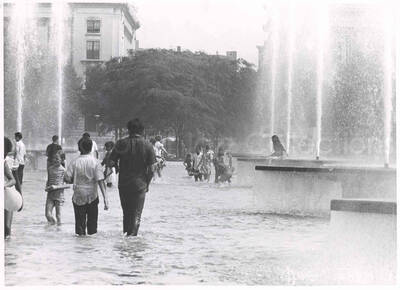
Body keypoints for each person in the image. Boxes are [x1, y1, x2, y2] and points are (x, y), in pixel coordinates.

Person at [110, 118, 156, 236]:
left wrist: (117, 166)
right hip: (140, 185)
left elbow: (110, 162)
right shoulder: (148, 145)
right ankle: (133, 239)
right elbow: (152, 169)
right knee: (137, 214)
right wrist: (147, 183)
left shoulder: (120, 143)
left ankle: (126, 238)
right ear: (142, 130)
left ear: (128, 130)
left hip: (124, 184)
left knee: (126, 213)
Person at [64, 138, 108, 236]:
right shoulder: (96, 162)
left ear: (80, 148)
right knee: (92, 228)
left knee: (80, 228)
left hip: (78, 196)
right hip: (93, 196)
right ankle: (91, 248)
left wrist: (73, 179)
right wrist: (105, 199)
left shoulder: (74, 162)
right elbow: (100, 181)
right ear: (91, 147)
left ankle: (81, 248)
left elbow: (67, 178)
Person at [4, 137, 23, 238]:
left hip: (8, 195)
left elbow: (16, 181)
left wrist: (21, 199)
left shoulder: (10, 161)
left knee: (7, 227)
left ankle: (8, 249)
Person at [45, 150, 66, 225]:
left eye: (57, 158)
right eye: (54, 158)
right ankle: (52, 229)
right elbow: (48, 179)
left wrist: (56, 187)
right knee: (48, 215)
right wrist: (46, 186)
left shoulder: (63, 170)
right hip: (50, 195)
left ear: (62, 160)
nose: (55, 160)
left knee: (58, 216)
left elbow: (67, 185)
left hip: (59, 196)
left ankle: (58, 232)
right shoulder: (50, 169)